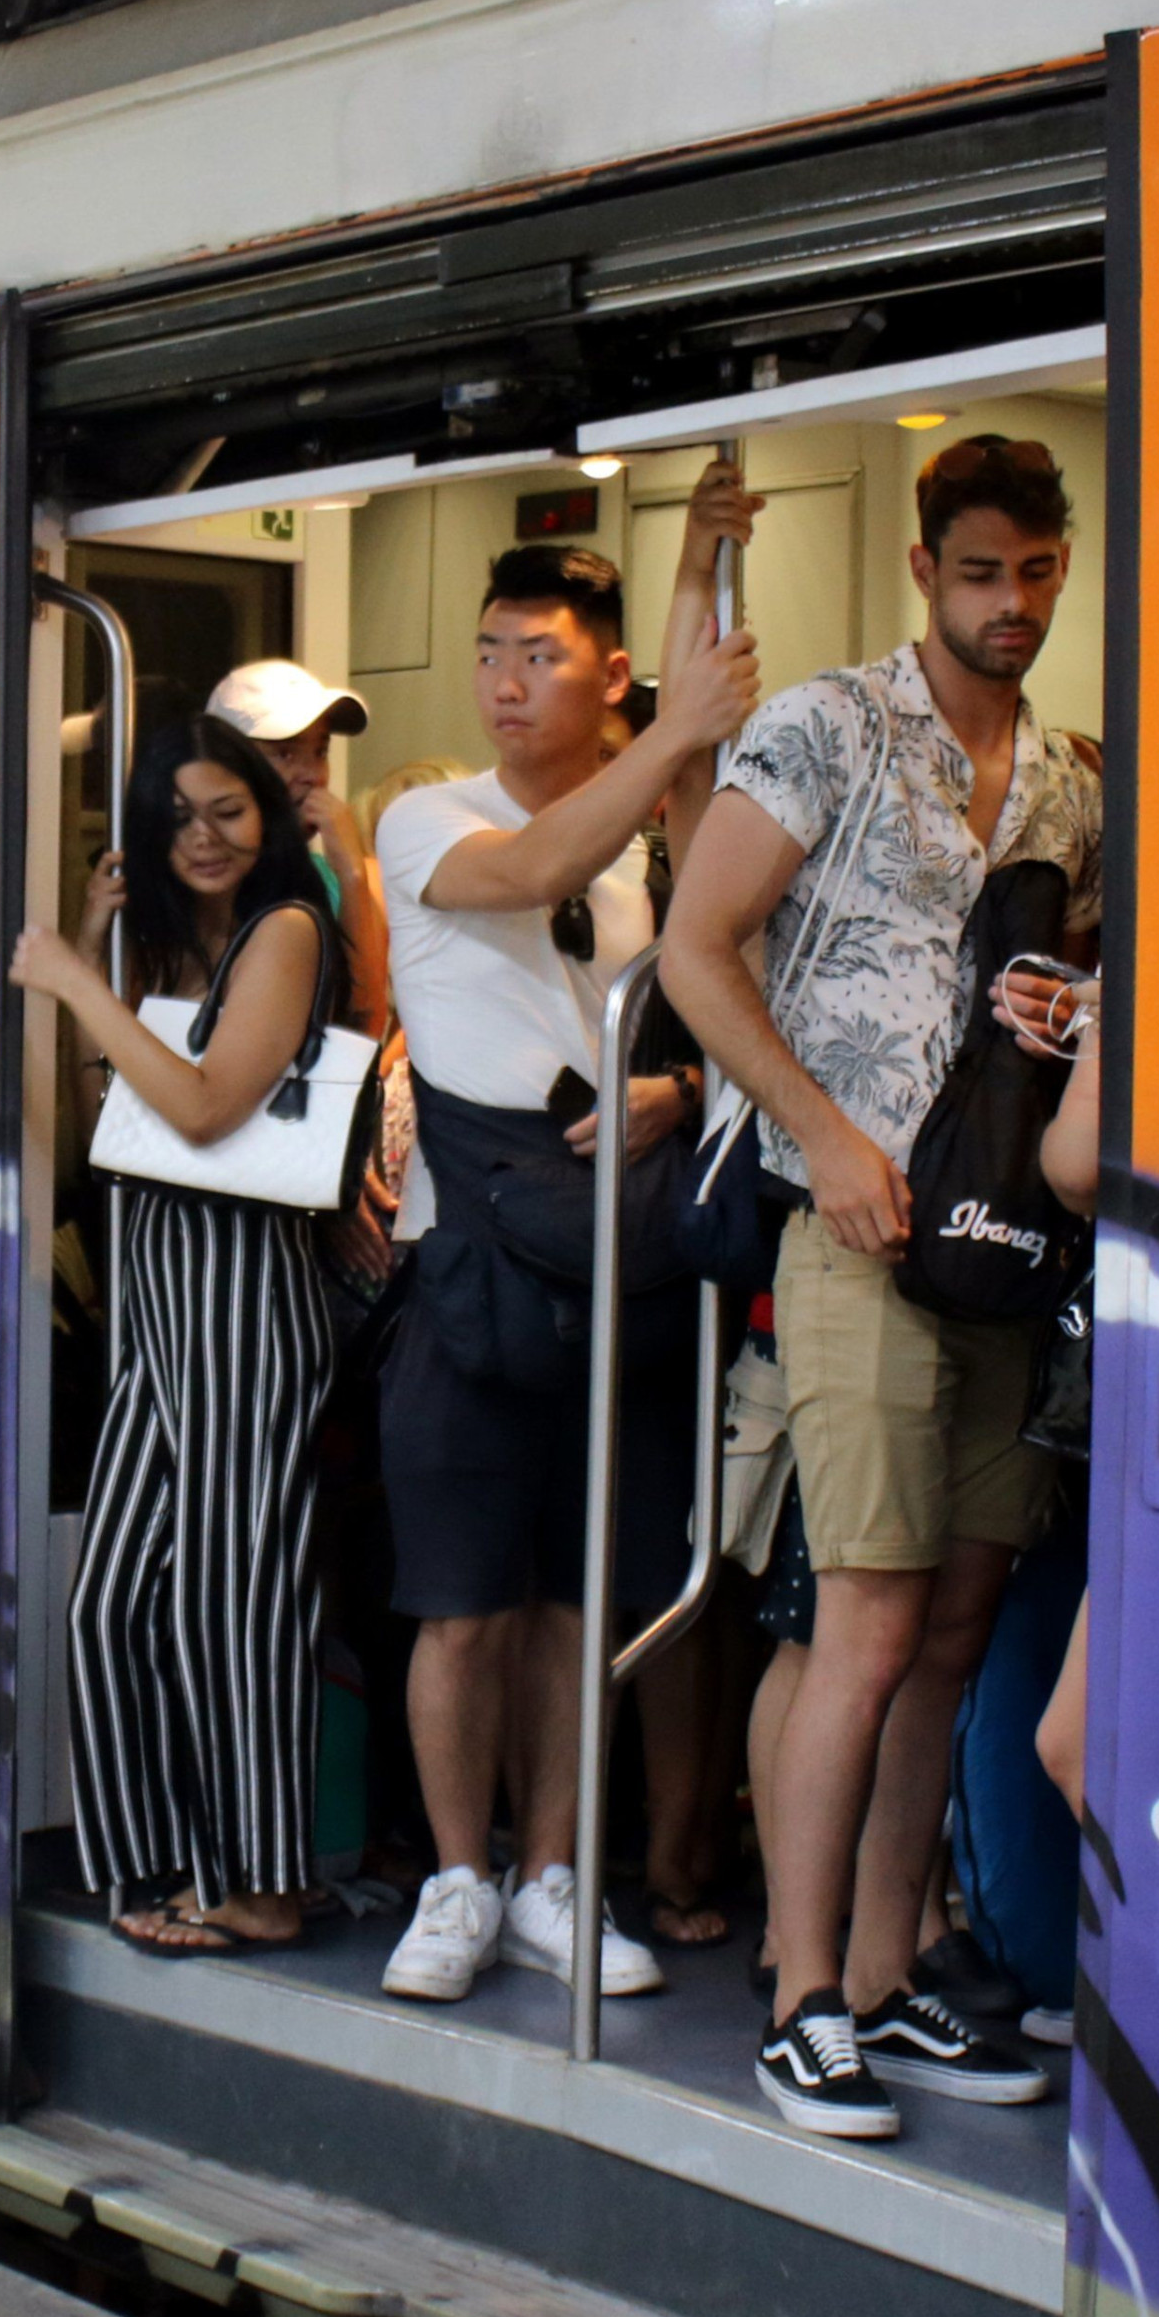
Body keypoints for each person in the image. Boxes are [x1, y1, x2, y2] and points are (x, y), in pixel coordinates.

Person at [659, 434, 1096, 2139]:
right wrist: (825, 1133)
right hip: (850, 1230)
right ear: (925, 567)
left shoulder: (1065, 775)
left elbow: (1031, 982)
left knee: (958, 1631)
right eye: (983, 571)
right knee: (866, 1621)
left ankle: (890, 1976)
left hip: (1000, 1244)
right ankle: (799, 1995)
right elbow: (697, 947)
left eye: (1039, 571)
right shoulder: (830, 722)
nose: (1012, 603)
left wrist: (1050, 1025)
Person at [372, 491, 759, 2007]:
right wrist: (673, 733)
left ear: (605, 674)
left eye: (539, 652)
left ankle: (549, 1874)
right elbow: (530, 870)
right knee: (459, 1599)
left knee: (576, 1600)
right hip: (471, 1266)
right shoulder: (429, 817)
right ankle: (454, 1879)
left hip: (614, 1260)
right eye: (487, 652)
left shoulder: (648, 851)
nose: (503, 677)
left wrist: (676, 1084)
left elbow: (709, 966)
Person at [16, 715, 346, 1955]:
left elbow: (205, 1108)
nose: (203, 838)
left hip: (247, 1299)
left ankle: (262, 1882)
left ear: (266, 815)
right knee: (107, 1603)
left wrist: (77, 979)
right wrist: (99, 948)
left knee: (233, 1602)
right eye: (178, 818)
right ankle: (155, 1864)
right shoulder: (168, 945)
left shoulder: (287, 929)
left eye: (227, 810)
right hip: (155, 1302)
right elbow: (114, 1111)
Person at [207, 659, 389, 1036]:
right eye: (285, 754)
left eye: (320, 752)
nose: (312, 775)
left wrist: (353, 873)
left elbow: (364, 1027)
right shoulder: (204, 869)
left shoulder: (329, 877)